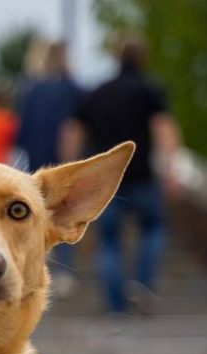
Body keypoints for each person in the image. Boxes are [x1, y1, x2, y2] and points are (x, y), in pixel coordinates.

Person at [60, 37, 181, 314]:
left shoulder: (98, 92)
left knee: (109, 241)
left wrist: (69, 170)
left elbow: (72, 130)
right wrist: (171, 169)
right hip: (143, 178)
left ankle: (116, 307)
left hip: (107, 185)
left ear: (116, 58)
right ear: (143, 59)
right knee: (153, 229)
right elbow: (164, 129)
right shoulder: (150, 91)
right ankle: (141, 282)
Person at [16, 41, 82, 298]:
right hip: (64, 163)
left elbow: (22, 132)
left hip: (37, 162)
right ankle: (65, 271)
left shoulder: (32, 89)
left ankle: (36, 268)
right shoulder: (72, 89)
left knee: (36, 214)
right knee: (65, 215)